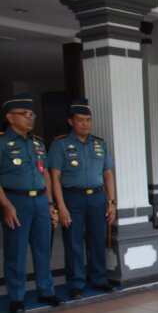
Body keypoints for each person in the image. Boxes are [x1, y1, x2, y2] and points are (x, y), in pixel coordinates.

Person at [49, 98, 116, 299]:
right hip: (72, 198)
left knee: (97, 240)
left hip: (97, 197)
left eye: (88, 120)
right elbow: (55, 177)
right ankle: (76, 283)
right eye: (80, 120)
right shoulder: (60, 144)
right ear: (71, 122)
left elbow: (108, 174)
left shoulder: (99, 144)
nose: (85, 124)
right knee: (74, 242)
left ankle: (99, 278)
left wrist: (112, 202)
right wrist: (61, 207)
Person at [0, 94, 61, 313]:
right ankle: (17, 297)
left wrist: (50, 204)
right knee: (16, 251)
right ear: (10, 117)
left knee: (43, 248)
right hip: (16, 200)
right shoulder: (2, 143)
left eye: (31, 114)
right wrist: (6, 206)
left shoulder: (38, 143)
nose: (30, 117)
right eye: (24, 114)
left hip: (41, 201)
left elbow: (45, 174)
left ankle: (46, 290)